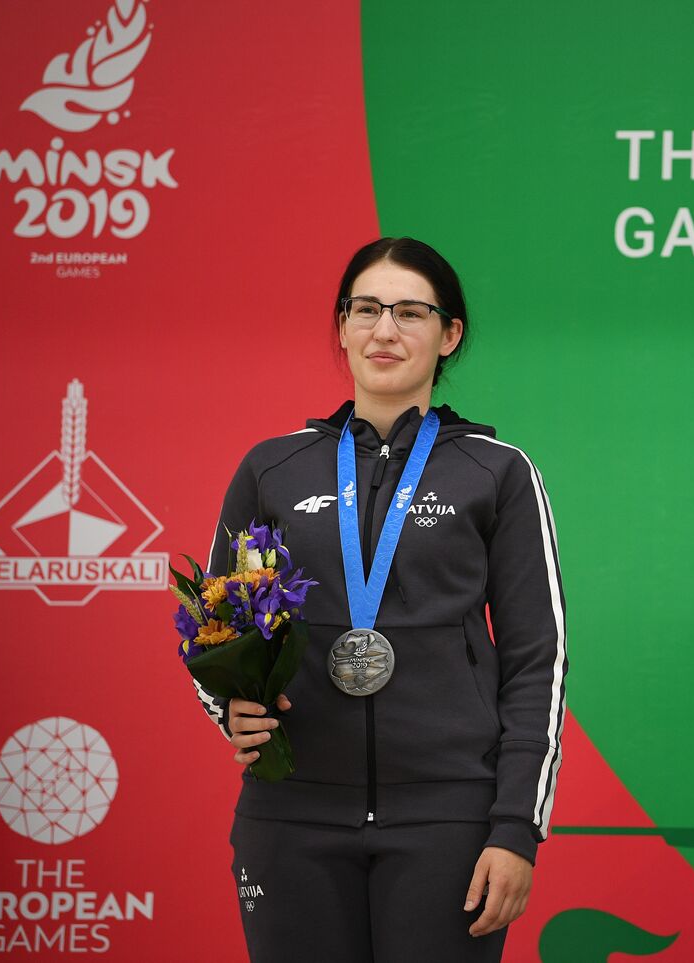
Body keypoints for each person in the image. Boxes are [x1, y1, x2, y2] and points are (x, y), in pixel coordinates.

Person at [191, 237, 568, 962]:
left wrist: (516, 826)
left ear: (448, 333)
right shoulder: (272, 467)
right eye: (365, 309)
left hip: (448, 818)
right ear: (341, 325)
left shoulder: (498, 473)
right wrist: (229, 709)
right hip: (291, 813)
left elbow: (536, 663)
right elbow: (218, 629)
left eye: (409, 312)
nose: (384, 330)